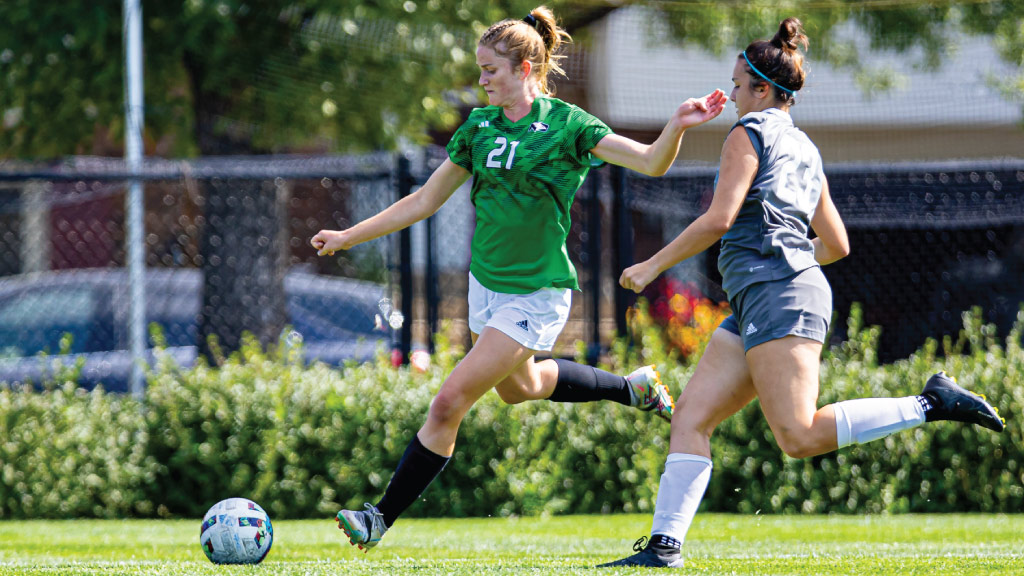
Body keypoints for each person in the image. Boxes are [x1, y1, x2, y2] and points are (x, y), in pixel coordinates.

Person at [310, 6, 728, 552]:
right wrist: (348, 235)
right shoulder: (478, 129)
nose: (481, 80)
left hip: (538, 291)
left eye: (491, 70)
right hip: (486, 288)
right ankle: (635, 388)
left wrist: (675, 125)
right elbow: (422, 200)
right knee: (521, 388)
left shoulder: (568, 126)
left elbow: (651, 163)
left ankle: (377, 518)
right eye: (480, 70)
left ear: (526, 68)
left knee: (447, 403)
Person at [598, 17, 1005, 569]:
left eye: (739, 84)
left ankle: (931, 402)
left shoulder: (748, 133)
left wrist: (650, 266)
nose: (735, 94)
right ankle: (664, 548)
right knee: (690, 417)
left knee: (799, 435)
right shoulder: (806, 148)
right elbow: (835, 243)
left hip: (776, 294)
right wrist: (784, 257)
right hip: (770, 293)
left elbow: (718, 219)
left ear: (763, 90)